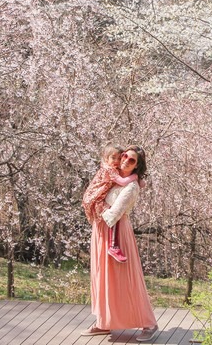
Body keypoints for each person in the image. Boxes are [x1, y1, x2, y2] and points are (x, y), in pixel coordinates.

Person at [81, 145, 158, 342]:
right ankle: (104, 322)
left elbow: (114, 214)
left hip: (116, 232)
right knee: (103, 277)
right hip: (100, 231)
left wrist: (98, 208)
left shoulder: (131, 187)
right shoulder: (112, 176)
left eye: (131, 160)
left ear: (137, 166)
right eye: (125, 156)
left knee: (124, 278)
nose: (125, 160)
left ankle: (148, 322)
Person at [82, 144, 139, 263]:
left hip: (104, 209)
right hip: (95, 198)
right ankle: (113, 246)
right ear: (106, 158)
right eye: (115, 158)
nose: (118, 161)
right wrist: (135, 176)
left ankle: (113, 245)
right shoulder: (109, 169)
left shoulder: (116, 171)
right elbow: (122, 182)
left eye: (119, 158)